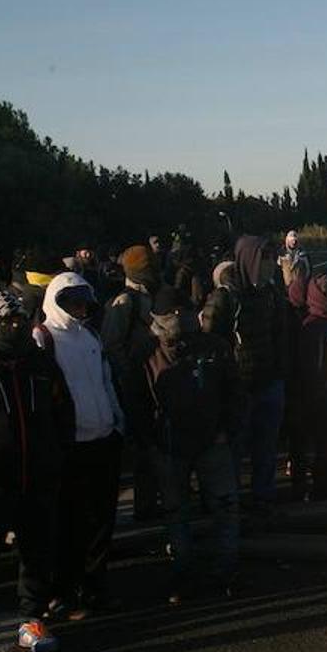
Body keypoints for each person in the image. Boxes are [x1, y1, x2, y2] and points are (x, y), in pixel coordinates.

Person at [130, 287, 242, 601]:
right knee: (178, 512)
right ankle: (184, 572)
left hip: (211, 441)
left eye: (183, 312)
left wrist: (227, 430)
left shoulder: (213, 345)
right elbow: (135, 401)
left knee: (223, 508)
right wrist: (150, 441)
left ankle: (224, 570)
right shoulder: (146, 352)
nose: (179, 319)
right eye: (172, 314)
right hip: (168, 445)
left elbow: (235, 391)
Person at [36, 273, 126, 617]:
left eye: (82, 300)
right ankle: (63, 592)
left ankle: (95, 588)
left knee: (101, 521)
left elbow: (107, 382)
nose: (78, 306)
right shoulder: (43, 338)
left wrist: (119, 423)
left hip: (104, 439)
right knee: (68, 522)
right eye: (70, 299)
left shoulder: (90, 335)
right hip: (69, 446)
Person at [0, 291, 72, 652]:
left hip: (37, 475)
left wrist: (56, 454)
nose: (14, 326)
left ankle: (32, 617)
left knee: (37, 550)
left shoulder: (40, 364)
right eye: (5, 320)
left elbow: (63, 412)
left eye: (20, 319)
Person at [202, 235, 288, 515]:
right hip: (239, 388)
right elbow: (209, 343)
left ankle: (263, 499)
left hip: (269, 382)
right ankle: (232, 507)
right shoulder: (225, 297)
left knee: (266, 449)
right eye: (263, 258)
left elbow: (280, 333)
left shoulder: (271, 292)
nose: (269, 265)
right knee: (235, 451)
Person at [101, 244, 163, 521]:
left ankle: (152, 501)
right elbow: (112, 345)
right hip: (138, 383)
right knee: (144, 448)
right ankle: (146, 507)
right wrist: (129, 376)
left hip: (155, 381)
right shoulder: (125, 303)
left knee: (154, 445)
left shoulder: (149, 295)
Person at [291, 275, 327, 504]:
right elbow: (307, 368)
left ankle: (326, 488)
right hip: (315, 398)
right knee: (316, 448)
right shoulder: (309, 327)